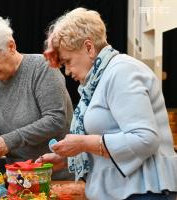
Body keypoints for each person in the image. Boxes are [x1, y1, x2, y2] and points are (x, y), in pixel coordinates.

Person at [36, 7, 177, 200]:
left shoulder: (122, 71)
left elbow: (145, 139)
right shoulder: (99, 79)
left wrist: (83, 143)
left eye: (68, 61)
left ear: (89, 48)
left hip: (142, 193)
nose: (67, 71)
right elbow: (110, 139)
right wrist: (68, 158)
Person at [0, 15, 73, 179]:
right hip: (17, 179)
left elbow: (56, 119)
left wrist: (9, 140)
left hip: (57, 178)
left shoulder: (42, 68)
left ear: (11, 46)